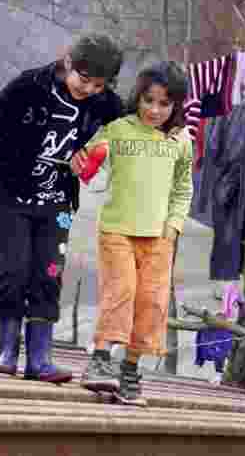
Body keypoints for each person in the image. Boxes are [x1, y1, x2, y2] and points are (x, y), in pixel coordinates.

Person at [0, 34, 125, 383]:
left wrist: (100, 152)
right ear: (67, 62)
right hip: (10, 197)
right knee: (13, 271)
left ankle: (40, 357)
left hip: (59, 202)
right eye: (84, 80)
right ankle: (6, 350)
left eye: (98, 85)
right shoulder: (29, 85)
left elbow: (129, 130)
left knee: (49, 273)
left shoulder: (107, 103)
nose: (89, 90)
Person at [75, 61, 194, 406]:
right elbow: (84, 157)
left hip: (159, 237)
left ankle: (129, 369)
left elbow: (183, 188)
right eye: (149, 100)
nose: (155, 110)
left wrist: (173, 228)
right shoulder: (117, 128)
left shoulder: (180, 139)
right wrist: (85, 160)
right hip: (117, 229)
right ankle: (99, 360)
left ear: (175, 105)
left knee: (152, 303)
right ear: (137, 97)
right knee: (121, 291)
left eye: (164, 103)